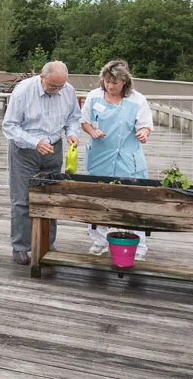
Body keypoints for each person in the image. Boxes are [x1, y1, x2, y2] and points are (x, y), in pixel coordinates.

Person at [1, 61, 82, 266]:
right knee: (22, 199)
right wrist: (35, 143)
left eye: (60, 87)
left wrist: (72, 133)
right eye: (53, 86)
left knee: (50, 198)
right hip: (25, 150)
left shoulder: (68, 90)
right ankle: (20, 246)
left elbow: (74, 117)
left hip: (53, 149)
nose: (57, 91)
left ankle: (47, 243)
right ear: (41, 77)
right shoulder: (23, 91)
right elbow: (9, 126)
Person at [80, 59, 153, 258]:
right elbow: (84, 121)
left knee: (131, 198)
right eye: (107, 82)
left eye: (115, 82)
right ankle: (99, 240)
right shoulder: (94, 97)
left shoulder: (137, 100)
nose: (110, 86)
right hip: (100, 155)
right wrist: (92, 131)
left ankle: (137, 245)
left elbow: (146, 125)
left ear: (124, 82)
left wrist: (144, 133)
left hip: (127, 157)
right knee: (98, 198)